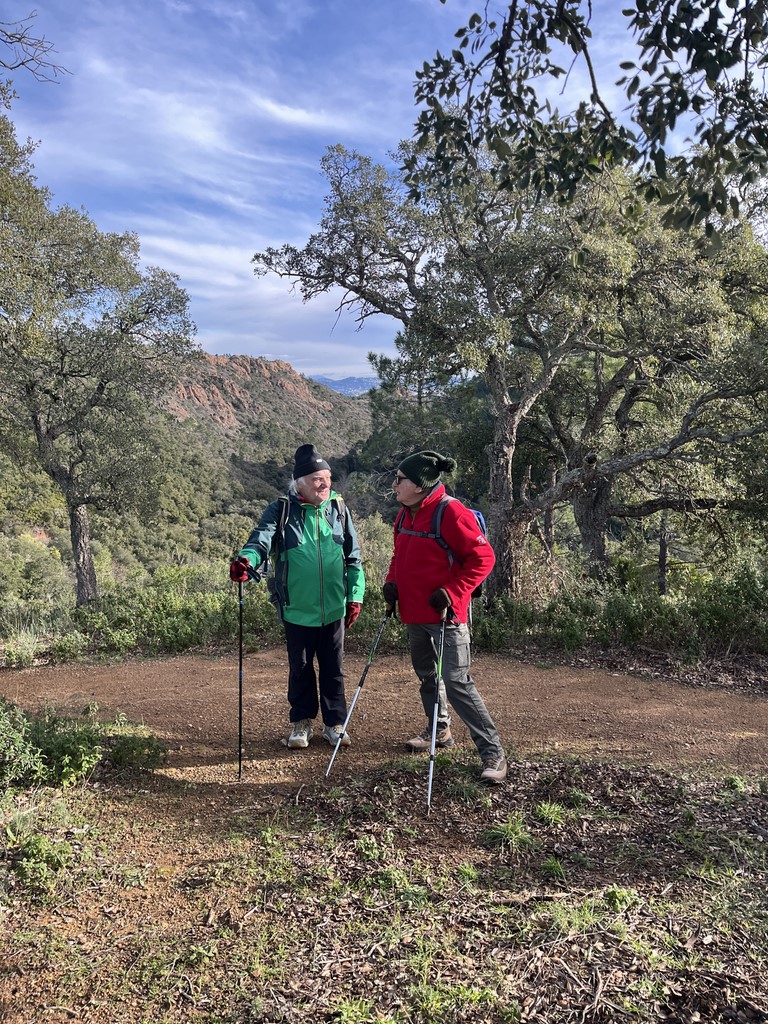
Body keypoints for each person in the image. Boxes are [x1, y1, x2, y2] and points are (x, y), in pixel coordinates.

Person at [383, 450, 507, 784]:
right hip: (414, 614)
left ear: (419, 485)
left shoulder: (450, 512)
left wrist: (452, 592)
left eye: (400, 479)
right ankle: (438, 730)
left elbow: (484, 558)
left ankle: (493, 753)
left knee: (456, 682)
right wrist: (392, 583)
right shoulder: (405, 514)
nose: (394, 484)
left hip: (446, 616)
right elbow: (399, 555)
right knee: (427, 675)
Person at [230, 444, 365, 749]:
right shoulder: (281, 510)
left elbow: (353, 557)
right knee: (301, 669)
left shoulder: (338, 509)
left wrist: (354, 596)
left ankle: (334, 724)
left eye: (327, 478)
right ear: (299, 483)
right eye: (317, 479)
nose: (324, 484)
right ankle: (302, 722)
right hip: (296, 608)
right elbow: (261, 540)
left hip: (334, 608)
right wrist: (247, 560)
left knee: (334, 669)